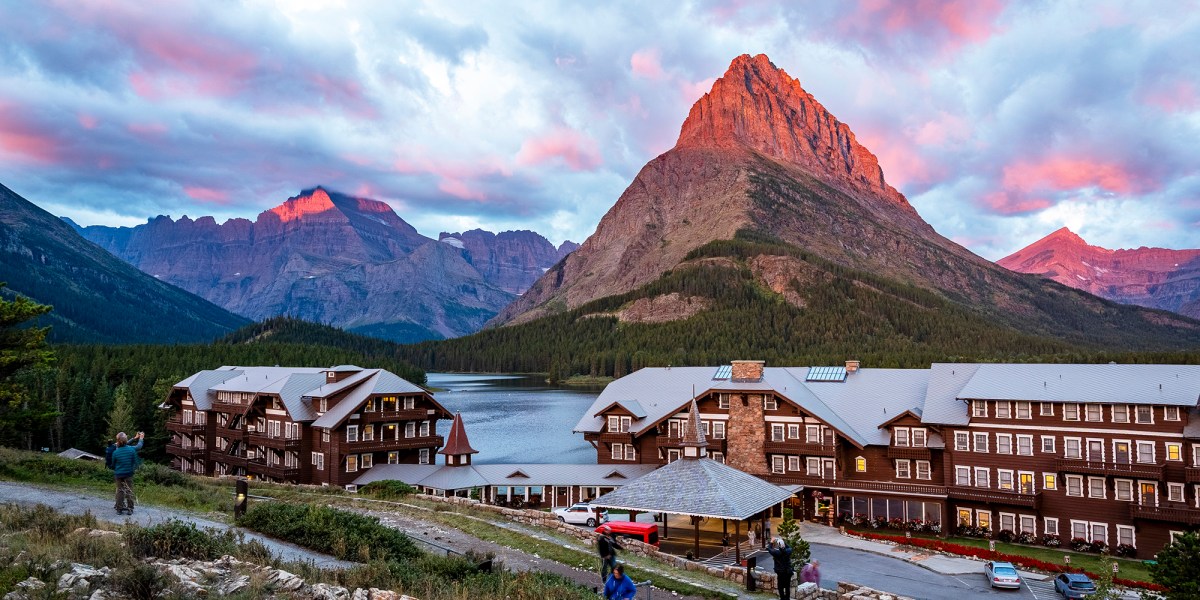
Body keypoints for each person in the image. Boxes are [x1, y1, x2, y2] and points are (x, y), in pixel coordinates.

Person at [111, 431, 144, 515]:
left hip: (118, 474)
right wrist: (141, 439)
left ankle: (119, 509)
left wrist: (134, 438)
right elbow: (139, 446)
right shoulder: (131, 449)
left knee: (120, 491)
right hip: (128, 473)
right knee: (129, 490)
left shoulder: (115, 451)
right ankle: (130, 509)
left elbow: (113, 464)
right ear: (125, 440)